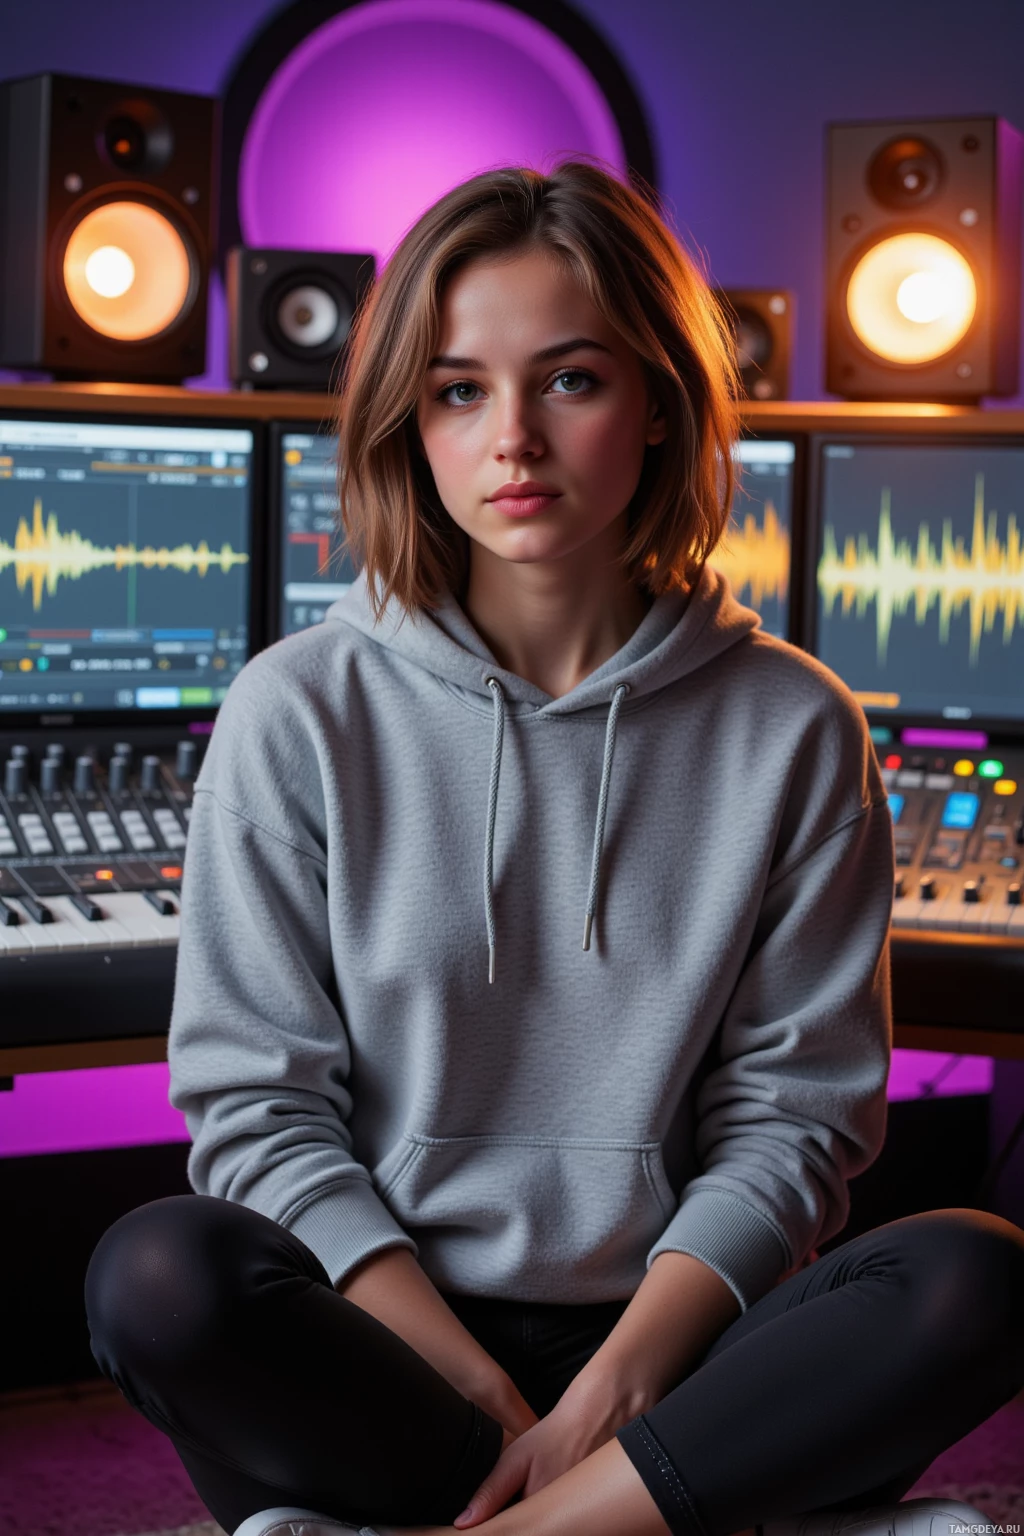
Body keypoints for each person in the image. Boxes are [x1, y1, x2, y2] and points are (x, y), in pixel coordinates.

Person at [84, 160, 1024, 1536]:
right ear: (412, 417)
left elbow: (795, 1120)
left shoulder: (795, 724)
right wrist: (471, 1379)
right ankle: (647, 1521)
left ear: (657, 404)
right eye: (461, 389)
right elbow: (257, 1109)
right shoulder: (296, 711)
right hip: (389, 1348)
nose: (510, 437)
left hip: (680, 1347)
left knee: (976, 1278)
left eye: (570, 379)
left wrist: (619, 1394)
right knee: (158, 1276)